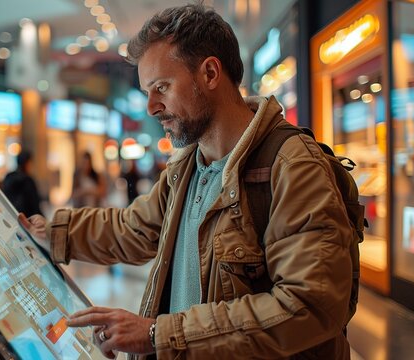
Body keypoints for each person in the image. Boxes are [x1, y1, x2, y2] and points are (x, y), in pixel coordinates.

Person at [25, 3, 355, 359]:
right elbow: (134, 229)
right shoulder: (188, 166)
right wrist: (54, 233)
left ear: (210, 74)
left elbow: (309, 306)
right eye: (147, 92)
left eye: (162, 87)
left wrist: (157, 334)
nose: (151, 107)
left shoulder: (292, 166)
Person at [0, 150, 42, 217]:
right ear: (27, 163)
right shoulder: (27, 180)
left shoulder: (9, 177)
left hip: (10, 216)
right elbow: (34, 204)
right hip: (26, 219)